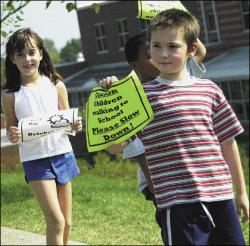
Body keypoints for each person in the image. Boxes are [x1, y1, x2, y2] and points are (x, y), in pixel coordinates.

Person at [99, 9, 249, 245]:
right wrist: (109, 104)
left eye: (173, 46)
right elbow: (115, 147)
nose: (163, 54)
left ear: (191, 49)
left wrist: (241, 191)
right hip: (177, 204)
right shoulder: (139, 97)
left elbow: (228, 142)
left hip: (221, 197)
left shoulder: (209, 90)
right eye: (156, 46)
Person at [100, 32, 206, 242]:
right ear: (135, 65)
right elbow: (120, 146)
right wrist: (110, 92)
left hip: (194, 174)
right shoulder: (131, 96)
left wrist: (176, 21)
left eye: (163, 49)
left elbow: (199, 51)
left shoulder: (179, 77)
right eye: (150, 54)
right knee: (178, 230)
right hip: (160, 180)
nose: (160, 56)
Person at [1, 28, 82, 245]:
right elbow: (12, 132)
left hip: (63, 155)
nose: (27, 59)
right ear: (12, 59)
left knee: (67, 223)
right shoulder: (9, 95)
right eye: (20, 54)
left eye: (31, 52)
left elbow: (70, 125)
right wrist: (14, 133)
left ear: (41, 54)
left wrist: (75, 124)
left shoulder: (57, 85)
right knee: (55, 221)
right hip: (35, 161)